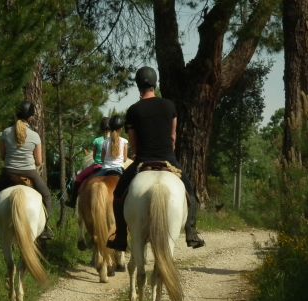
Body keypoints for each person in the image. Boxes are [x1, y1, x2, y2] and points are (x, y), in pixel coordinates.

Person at [106, 66, 205, 251]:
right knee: (191, 193)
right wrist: (168, 152)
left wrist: (139, 153)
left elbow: (134, 144)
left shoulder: (133, 110)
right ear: (155, 83)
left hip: (142, 162)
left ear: (138, 85)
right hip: (168, 160)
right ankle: (191, 232)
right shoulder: (169, 106)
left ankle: (120, 237)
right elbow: (173, 137)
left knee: (118, 195)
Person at [0, 101, 53, 239]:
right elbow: (38, 161)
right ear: (30, 118)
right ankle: (45, 229)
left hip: (8, 174)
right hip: (29, 173)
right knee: (47, 196)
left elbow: (2, 155)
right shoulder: (35, 136)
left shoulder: (5, 133)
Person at [65, 117, 110, 208]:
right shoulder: (114, 140)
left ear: (101, 128)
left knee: (78, 178)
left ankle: (72, 202)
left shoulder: (97, 140)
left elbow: (93, 156)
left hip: (97, 166)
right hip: (110, 166)